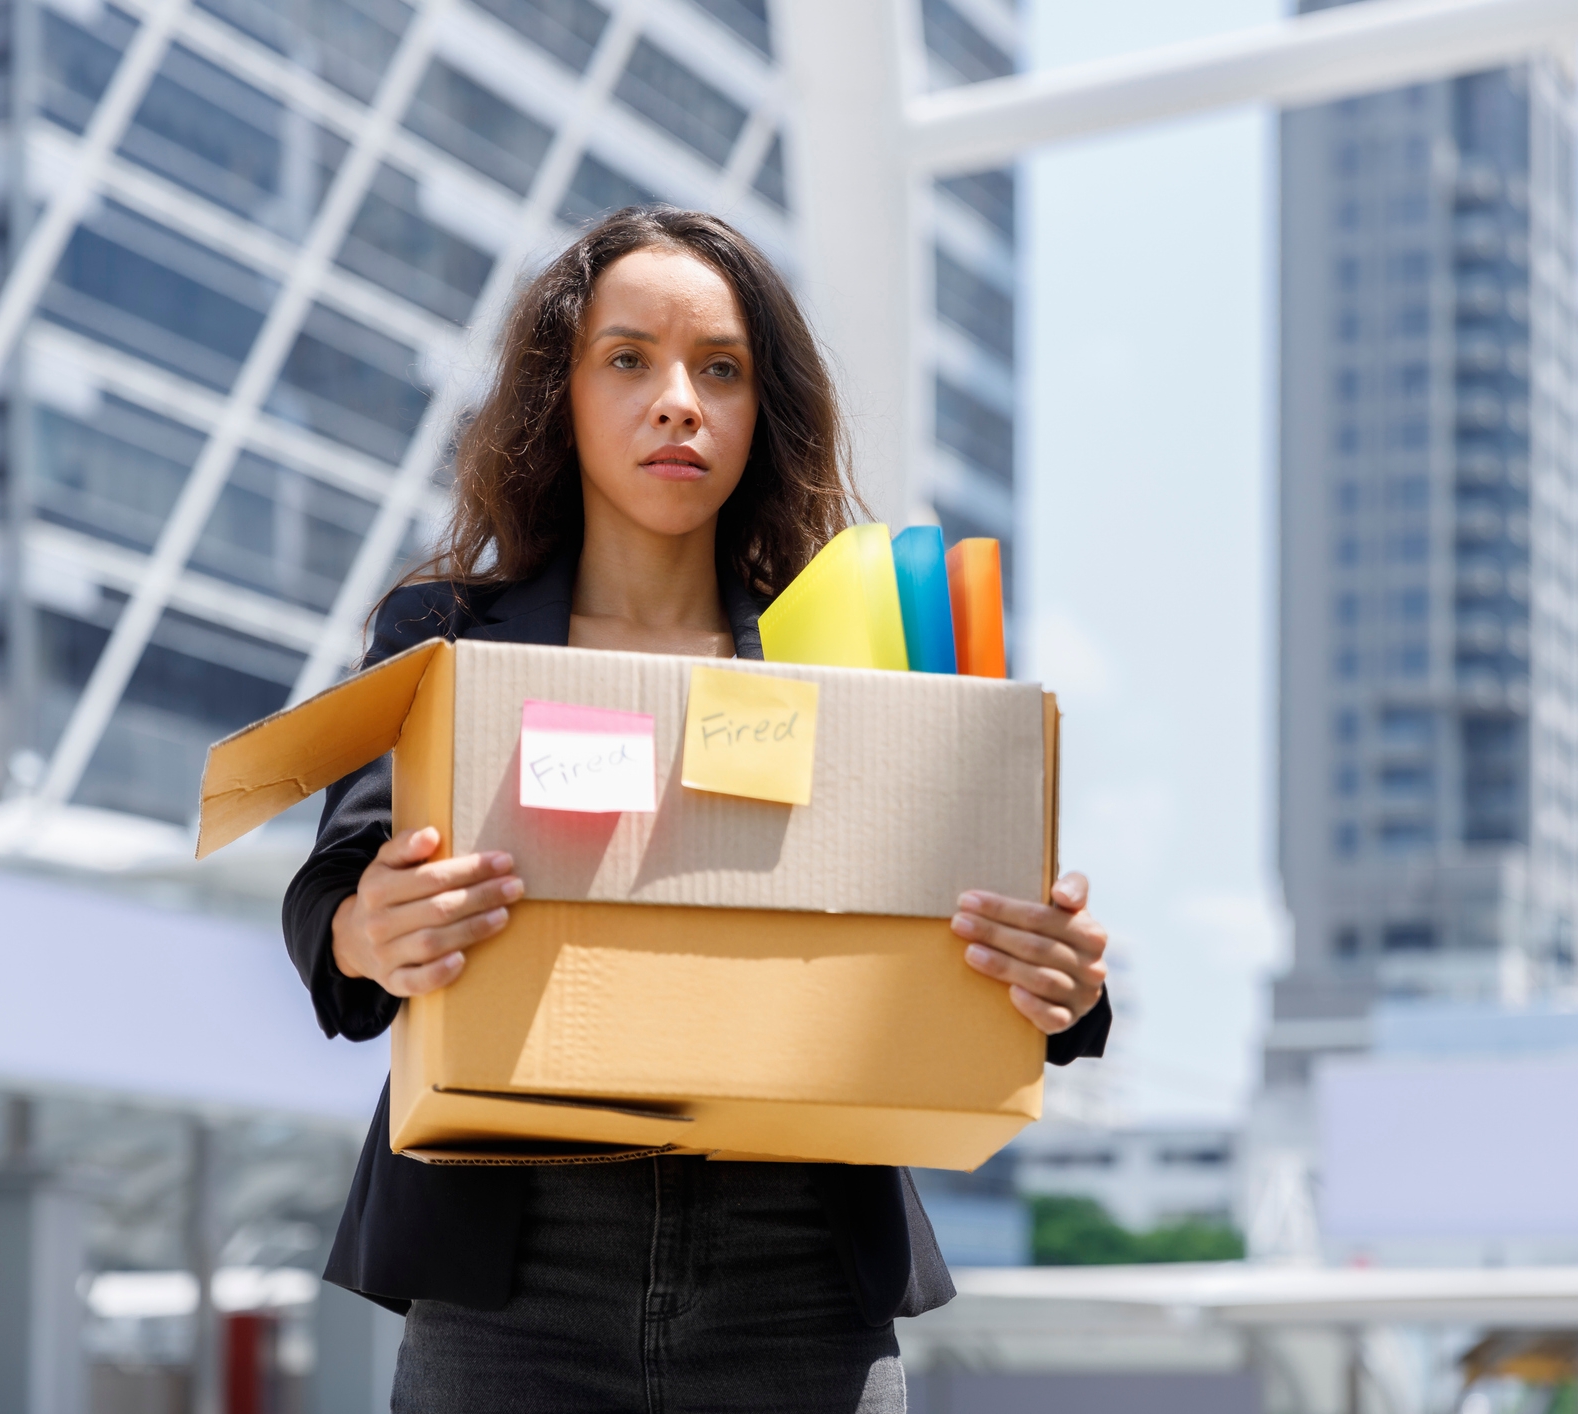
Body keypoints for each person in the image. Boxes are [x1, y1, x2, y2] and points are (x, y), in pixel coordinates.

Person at [280, 207, 1113, 1413]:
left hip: (801, 1276)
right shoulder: (448, 639)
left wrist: (1065, 987)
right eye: (629, 359)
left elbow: (972, 922)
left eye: (719, 368)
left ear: (756, 409)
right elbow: (331, 901)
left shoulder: (850, 647)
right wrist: (371, 927)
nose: (679, 400)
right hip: (517, 1282)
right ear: (556, 397)